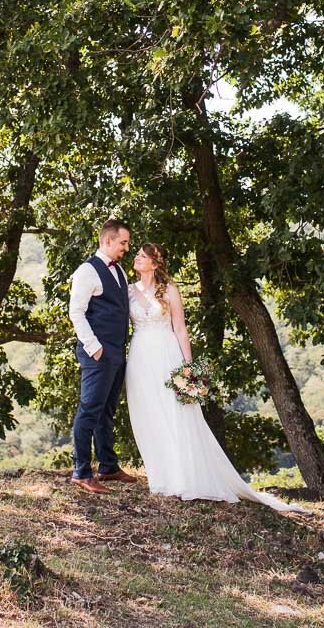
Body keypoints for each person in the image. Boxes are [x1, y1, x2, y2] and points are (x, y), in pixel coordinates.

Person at [124, 242, 308, 514]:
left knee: (177, 414)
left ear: (155, 262)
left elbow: (181, 330)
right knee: (149, 414)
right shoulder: (128, 291)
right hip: (140, 357)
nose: (137, 258)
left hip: (166, 354)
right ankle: (160, 475)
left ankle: (183, 477)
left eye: (142, 255)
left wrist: (189, 369)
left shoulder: (170, 290)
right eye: (136, 254)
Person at [67, 218, 142, 493]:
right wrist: (94, 347)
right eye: (123, 242)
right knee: (89, 409)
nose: (126, 247)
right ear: (107, 240)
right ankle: (82, 472)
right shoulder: (87, 271)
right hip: (97, 352)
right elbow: (76, 312)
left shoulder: (120, 271)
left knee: (106, 411)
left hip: (117, 351)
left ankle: (108, 466)